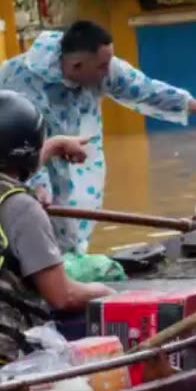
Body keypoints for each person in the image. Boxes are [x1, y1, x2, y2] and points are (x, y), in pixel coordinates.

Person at [0, 21, 196, 254]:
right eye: (103, 66)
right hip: (14, 158)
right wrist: (37, 186)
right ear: (77, 65)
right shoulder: (23, 83)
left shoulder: (100, 67)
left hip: (64, 149)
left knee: (68, 225)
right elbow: (21, 146)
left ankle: (66, 261)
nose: (109, 71)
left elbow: (145, 89)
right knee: (30, 216)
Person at [0, 90, 116, 362]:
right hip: (8, 360)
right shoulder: (21, 208)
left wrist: (52, 147)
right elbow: (63, 296)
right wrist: (108, 293)